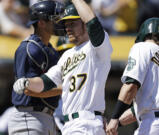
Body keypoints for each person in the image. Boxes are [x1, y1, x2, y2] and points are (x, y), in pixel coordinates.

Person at [13, 0, 113, 134]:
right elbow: (45, 82)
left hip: (87, 121)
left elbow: (93, 23)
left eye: (72, 23)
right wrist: (27, 82)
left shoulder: (97, 49)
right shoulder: (67, 55)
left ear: (84, 23)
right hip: (69, 125)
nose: (67, 28)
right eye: (65, 24)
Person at [106, 17, 159, 135]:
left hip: (155, 124)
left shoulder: (142, 47)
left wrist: (114, 118)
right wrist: (117, 122)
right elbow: (140, 110)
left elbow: (131, 85)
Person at [8, 1, 65, 135]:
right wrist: (65, 89)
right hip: (29, 116)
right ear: (41, 23)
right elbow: (28, 89)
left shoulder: (50, 50)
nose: (58, 23)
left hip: (46, 116)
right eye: (53, 19)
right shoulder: (29, 48)